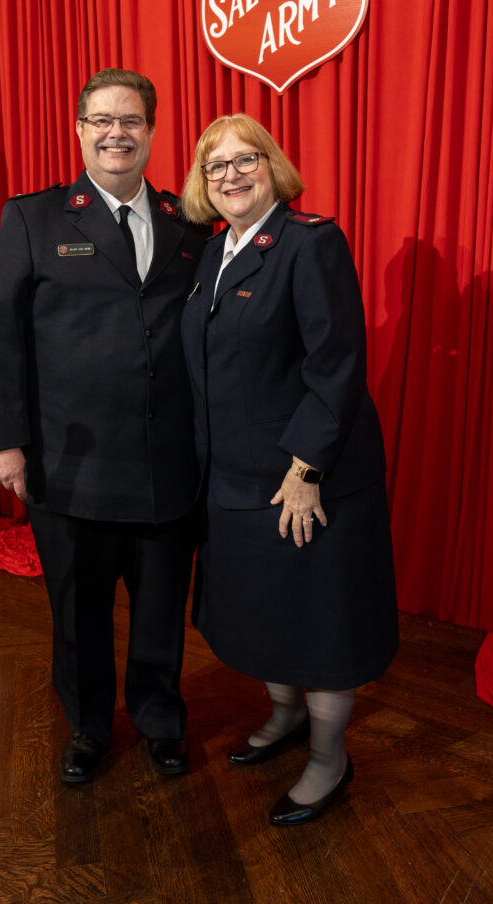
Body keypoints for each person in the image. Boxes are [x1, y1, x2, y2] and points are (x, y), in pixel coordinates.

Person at [0, 68, 209, 783]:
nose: (116, 133)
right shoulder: (33, 218)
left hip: (165, 463)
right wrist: (0, 440)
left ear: (152, 132)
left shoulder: (188, 225)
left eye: (130, 120)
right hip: (70, 465)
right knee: (78, 613)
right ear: (79, 132)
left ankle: (161, 720)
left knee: (161, 609)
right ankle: (88, 727)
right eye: (101, 120)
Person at [180, 114, 398, 826]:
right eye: (216, 166)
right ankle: (286, 717)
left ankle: (329, 757)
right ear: (202, 183)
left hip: (308, 479)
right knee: (264, 615)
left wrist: (305, 469)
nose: (232, 176)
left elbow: (334, 362)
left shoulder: (310, 243)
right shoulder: (212, 255)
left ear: (272, 167)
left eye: (246, 160)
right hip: (233, 477)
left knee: (320, 626)